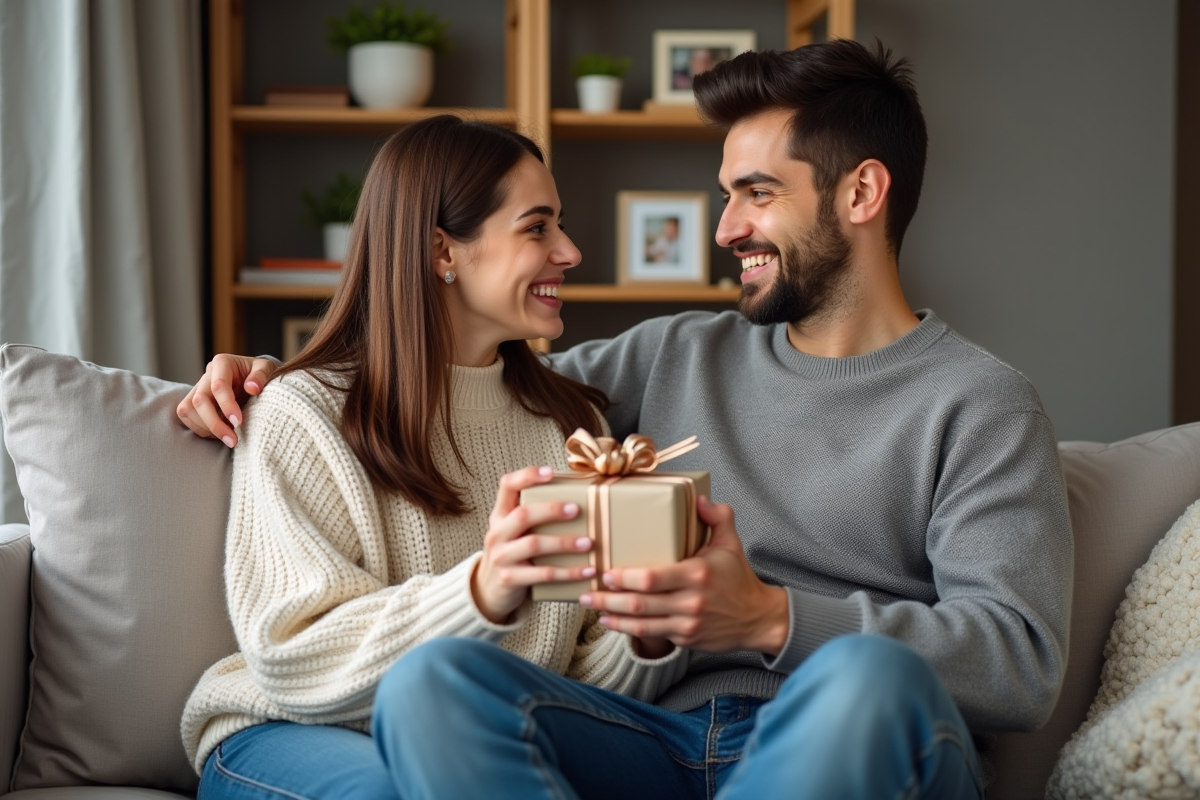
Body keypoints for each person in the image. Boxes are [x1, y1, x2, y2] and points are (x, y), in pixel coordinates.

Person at [179, 40, 1073, 800]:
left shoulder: (981, 403)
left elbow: (1019, 665)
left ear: (861, 194)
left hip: (856, 737)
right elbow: (459, 379)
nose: (726, 228)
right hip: (654, 738)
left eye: (756, 194)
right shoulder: (667, 357)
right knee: (441, 680)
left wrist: (768, 618)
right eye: (726, 195)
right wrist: (284, 378)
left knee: (866, 677)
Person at [178, 115, 695, 800]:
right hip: (289, 727)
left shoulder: (572, 426)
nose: (569, 250)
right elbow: (291, 656)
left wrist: (650, 630)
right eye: (537, 227)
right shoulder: (299, 411)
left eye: (559, 225)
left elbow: (572, 682)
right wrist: (480, 592)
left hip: (476, 746)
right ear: (442, 252)